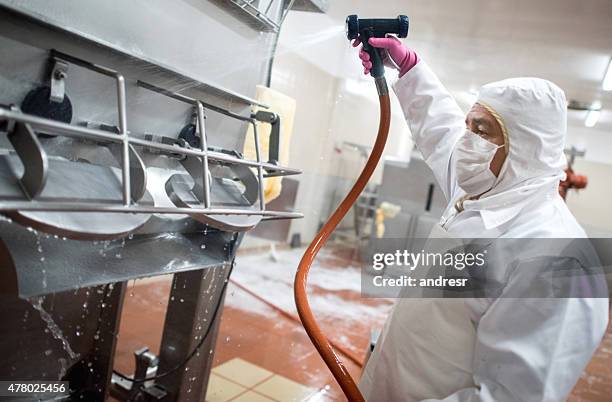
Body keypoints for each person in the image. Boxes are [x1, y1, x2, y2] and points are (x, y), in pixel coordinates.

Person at [353, 36, 609, 401]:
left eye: (483, 131)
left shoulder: (556, 259)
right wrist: (410, 69)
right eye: (469, 126)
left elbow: (513, 396)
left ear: (525, 149)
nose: (465, 142)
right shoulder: (483, 189)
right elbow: (440, 130)